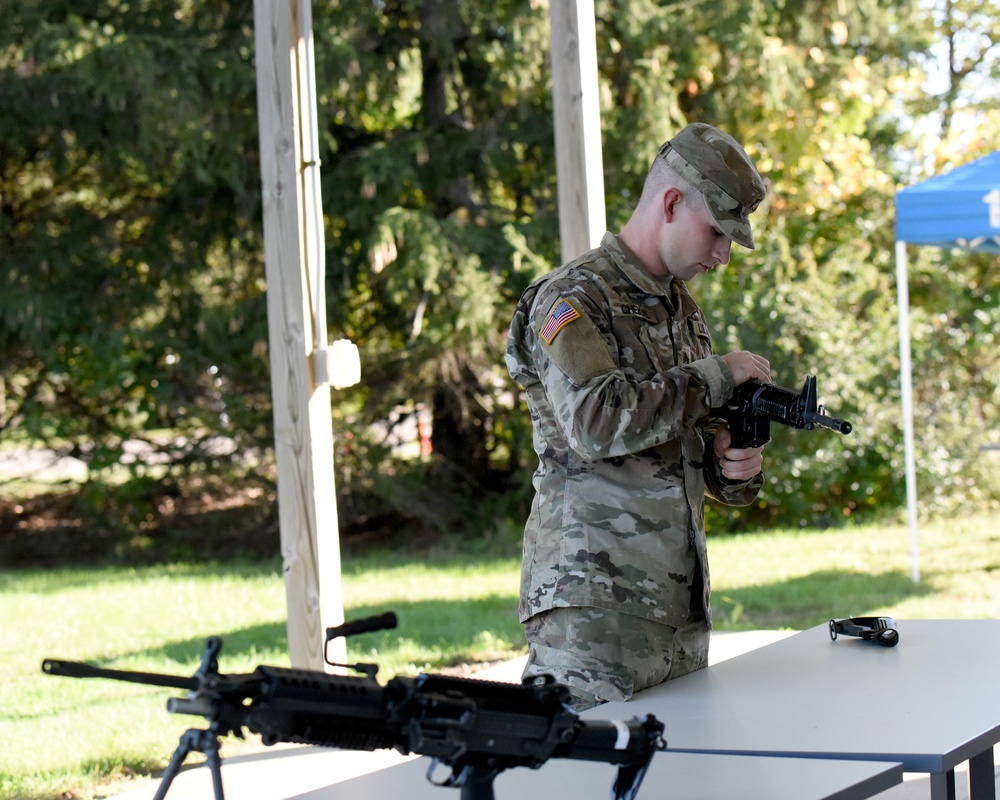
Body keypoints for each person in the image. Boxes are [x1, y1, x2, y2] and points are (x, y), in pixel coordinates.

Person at [504, 122, 771, 711]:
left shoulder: (680, 311)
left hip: (676, 611)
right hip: (594, 617)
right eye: (717, 233)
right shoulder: (572, 299)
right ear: (671, 203)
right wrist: (718, 374)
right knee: (586, 788)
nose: (723, 254)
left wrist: (732, 465)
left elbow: (680, 441)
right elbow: (596, 423)